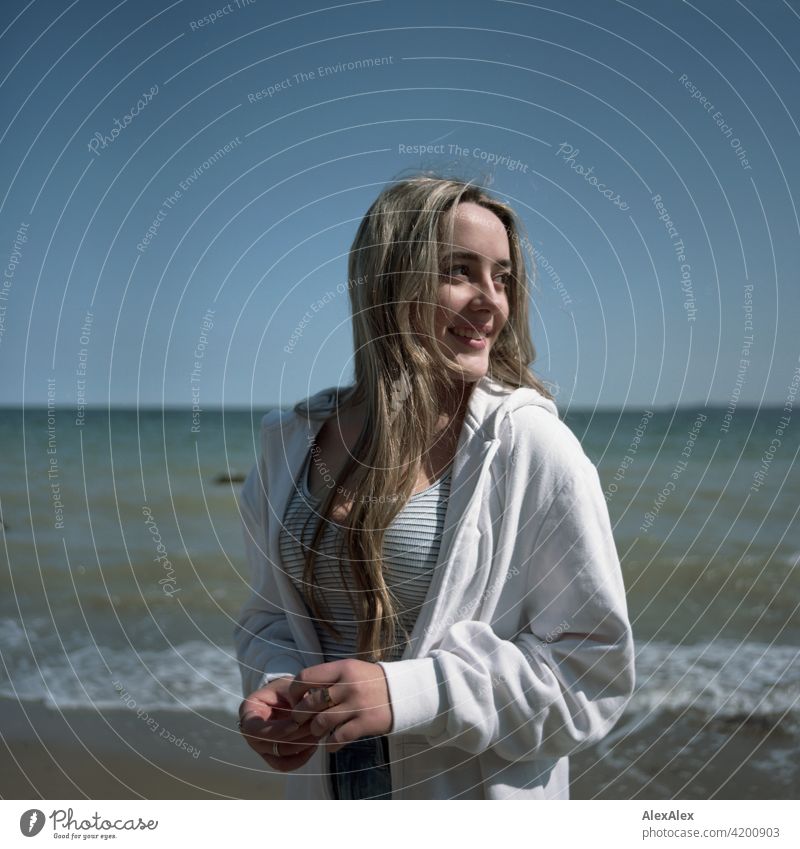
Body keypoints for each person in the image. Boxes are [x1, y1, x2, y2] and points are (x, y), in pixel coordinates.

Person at [234, 173, 635, 800]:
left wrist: (411, 694)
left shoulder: (531, 446)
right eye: (459, 271)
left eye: (501, 277)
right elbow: (267, 620)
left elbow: (590, 678)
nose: (491, 302)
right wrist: (277, 686)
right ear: (386, 280)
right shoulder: (288, 443)